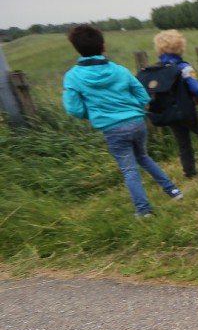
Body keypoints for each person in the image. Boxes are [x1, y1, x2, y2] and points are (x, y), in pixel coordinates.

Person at [61, 24, 183, 217]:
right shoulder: (120, 70)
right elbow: (143, 96)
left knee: (129, 170)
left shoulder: (73, 77)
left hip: (113, 129)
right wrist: (132, 109)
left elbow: (74, 109)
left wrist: (94, 114)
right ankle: (173, 191)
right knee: (143, 157)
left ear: (77, 49)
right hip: (137, 123)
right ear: (103, 46)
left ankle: (144, 210)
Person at [152, 30, 198, 181]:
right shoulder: (184, 67)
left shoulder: (157, 69)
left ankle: (190, 172)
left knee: (183, 143)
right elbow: (195, 88)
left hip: (169, 113)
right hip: (187, 111)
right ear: (180, 47)